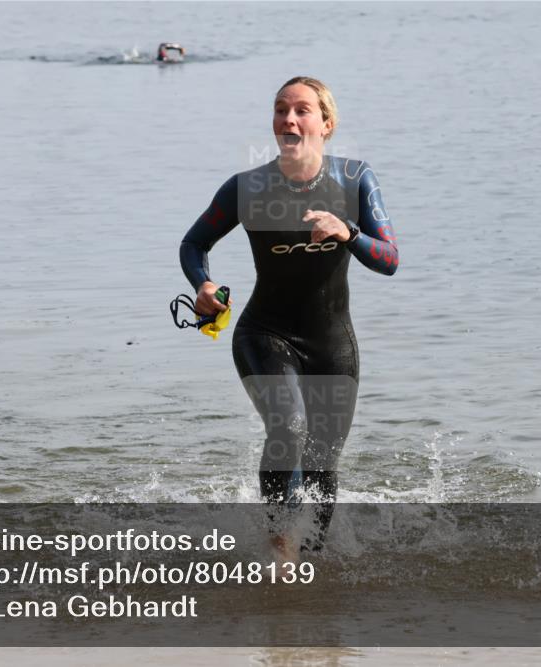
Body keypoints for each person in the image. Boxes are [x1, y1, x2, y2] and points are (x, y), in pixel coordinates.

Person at [179, 76, 399, 560]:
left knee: (323, 464)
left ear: (327, 124)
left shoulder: (355, 179)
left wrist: (348, 233)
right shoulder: (248, 188)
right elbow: (194, 243)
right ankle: (281, 548)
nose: (289, 119)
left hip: (331, 342)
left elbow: (389, 259)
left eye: (302, 110)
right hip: (265, 333)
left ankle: (314, 564)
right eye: (281, 110)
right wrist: (204, 285)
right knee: (289, 427)